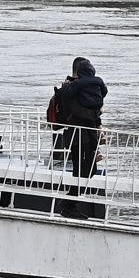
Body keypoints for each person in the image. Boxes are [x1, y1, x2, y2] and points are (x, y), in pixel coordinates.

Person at [47, 57, 107, 218]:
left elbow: (91, 108)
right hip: (77, 133)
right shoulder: (69, 89)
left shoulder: (84, 89)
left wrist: (98, 122)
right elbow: (77, 111)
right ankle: (69, 204)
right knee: (81, 168)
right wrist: (97, 114)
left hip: (86, 133)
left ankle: (69, 202)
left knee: (89, 169)